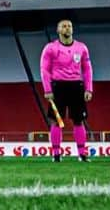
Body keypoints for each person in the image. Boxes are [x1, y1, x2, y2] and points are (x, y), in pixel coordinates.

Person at [40, 18, 93, 162]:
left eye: (69, 26)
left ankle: (82, 154)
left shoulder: (82, 48)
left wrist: (89, 88)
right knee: (57, 121)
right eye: (64, 26)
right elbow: (44, 70)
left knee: (79, 121)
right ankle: (56, 154)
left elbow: (87, 69)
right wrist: (47, 89)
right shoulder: (50, 48)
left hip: (77, 86)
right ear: (58, 30)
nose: (67, 28)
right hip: (58, 87)